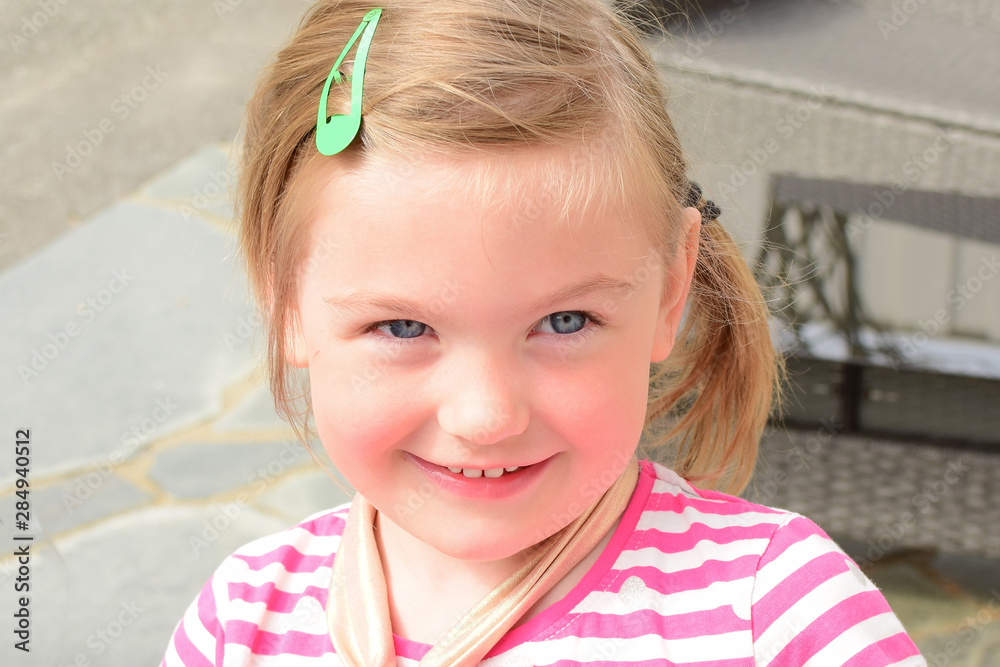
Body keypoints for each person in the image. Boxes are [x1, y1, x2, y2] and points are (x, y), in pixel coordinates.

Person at [162, 1, 925, 664]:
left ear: (670, 286)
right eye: (402, 326)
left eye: (564, 322)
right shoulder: (241, 625)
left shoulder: (781, 616)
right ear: (286, 298)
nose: (487, 415)